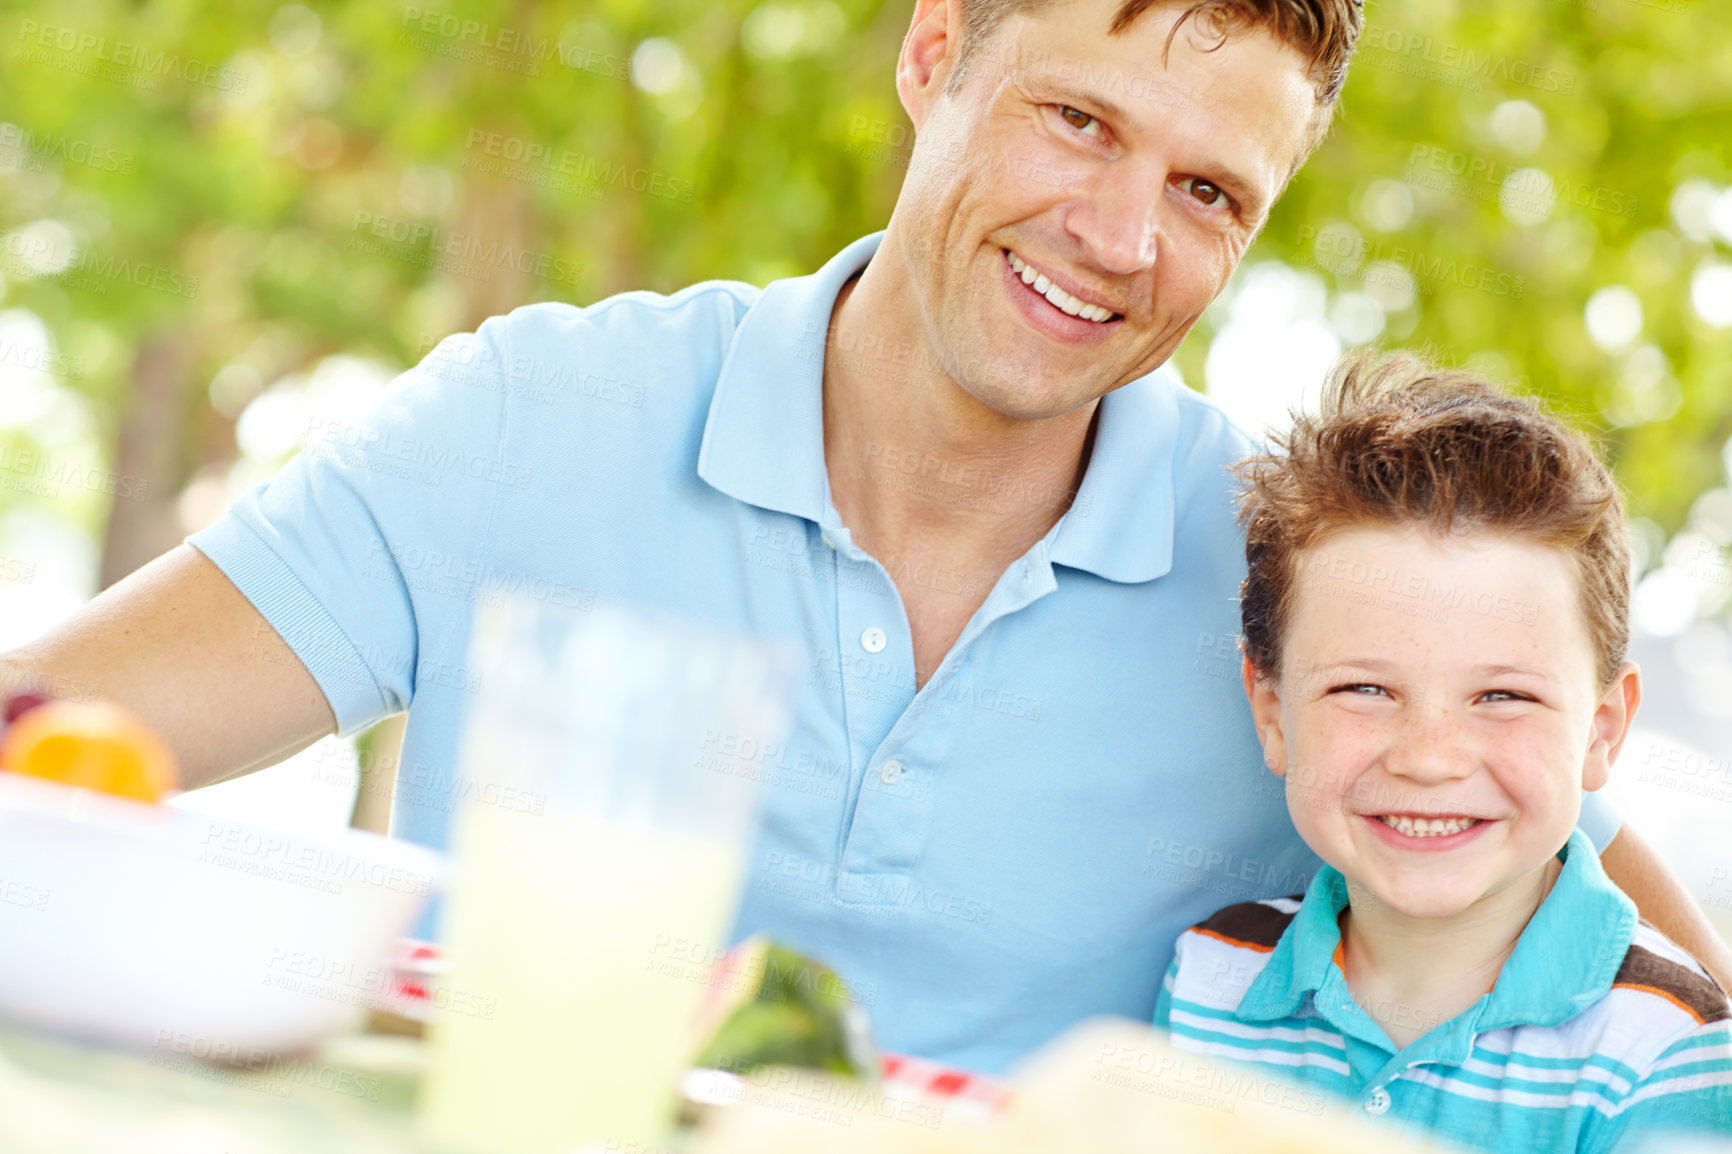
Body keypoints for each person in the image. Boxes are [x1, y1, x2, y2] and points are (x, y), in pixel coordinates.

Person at [3, 0, 1727, 1075]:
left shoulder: (1299, 588)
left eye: (1210, 194)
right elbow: (45, 745)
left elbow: (1629, 941)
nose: (1120, 235)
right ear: (931, 55)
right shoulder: (539, 417)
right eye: (1078, 119)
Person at [1154, 351, 1732, 1150]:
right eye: (1365, 689)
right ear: (1273, 713)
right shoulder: (1211, 978)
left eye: (1503, 696)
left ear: (1602, 729)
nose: (1430, 759)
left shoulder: (1669, 1044)